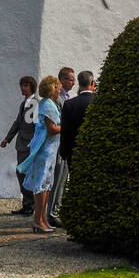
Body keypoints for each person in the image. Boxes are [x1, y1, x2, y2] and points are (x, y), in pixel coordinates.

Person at [18, 75, 62, 233]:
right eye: (57, 87)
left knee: (46, 185)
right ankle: (38, 220)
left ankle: (42, 219)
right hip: (45, 151)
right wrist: (66, 127)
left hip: (49, 151)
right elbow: (51, 129)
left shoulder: (47, 103)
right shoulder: (48, 105)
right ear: (52, 89)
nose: (59, 90)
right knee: (42, 186)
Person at [52, 70, 96, 223]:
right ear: (92, 83)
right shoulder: (98, 102)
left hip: (73, 152)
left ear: (79, 83)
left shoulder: (69, 104)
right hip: (94, 152)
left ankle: (78, 216)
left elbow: (65, 131)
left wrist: (64, 152)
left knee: (76, 183)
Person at [1, 75, 38, 215]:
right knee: (22, 173)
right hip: (21, 144)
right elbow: (17, 123)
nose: (22, 88)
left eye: (25, 85)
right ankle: (27, 204)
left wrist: (32, 143)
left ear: (31, 86)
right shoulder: (24, 103)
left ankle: (30, 204)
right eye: (21, 85)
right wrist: (7, 139)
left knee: (23, 173)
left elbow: (33, 125)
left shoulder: (33, 103)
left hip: (27, 145)